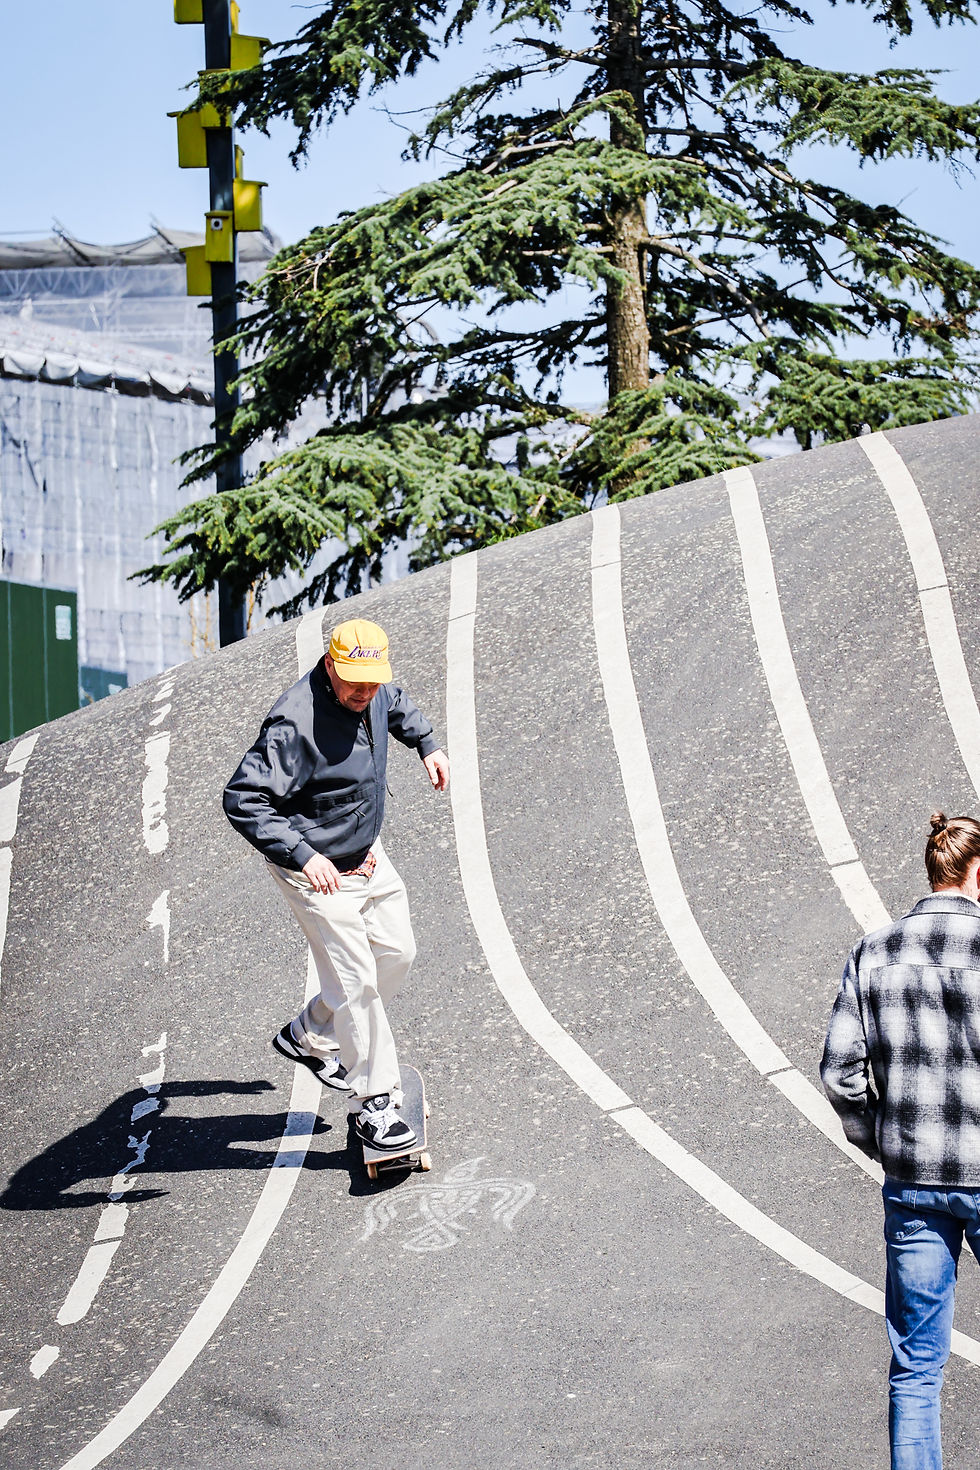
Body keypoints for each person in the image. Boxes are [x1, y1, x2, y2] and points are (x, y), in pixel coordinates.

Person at [223, 617, 449, 1153]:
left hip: (366, 855)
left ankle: (311, 1034)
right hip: (317, 873)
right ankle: (376, 1101)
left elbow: (394, 701)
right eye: (354, 683)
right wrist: (302, 854)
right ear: (330, 664)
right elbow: (243, 798)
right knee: (357, 983)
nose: (364, 693)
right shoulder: (293, 724)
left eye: (371, 682)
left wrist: (428, 745)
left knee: (398, 952)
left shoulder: (372, 686)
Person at [821, 811, 980, 1470]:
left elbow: (840, 1072)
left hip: (915, 1183)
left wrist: (882, 1141)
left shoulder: (876, 950)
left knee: (917, 1371)